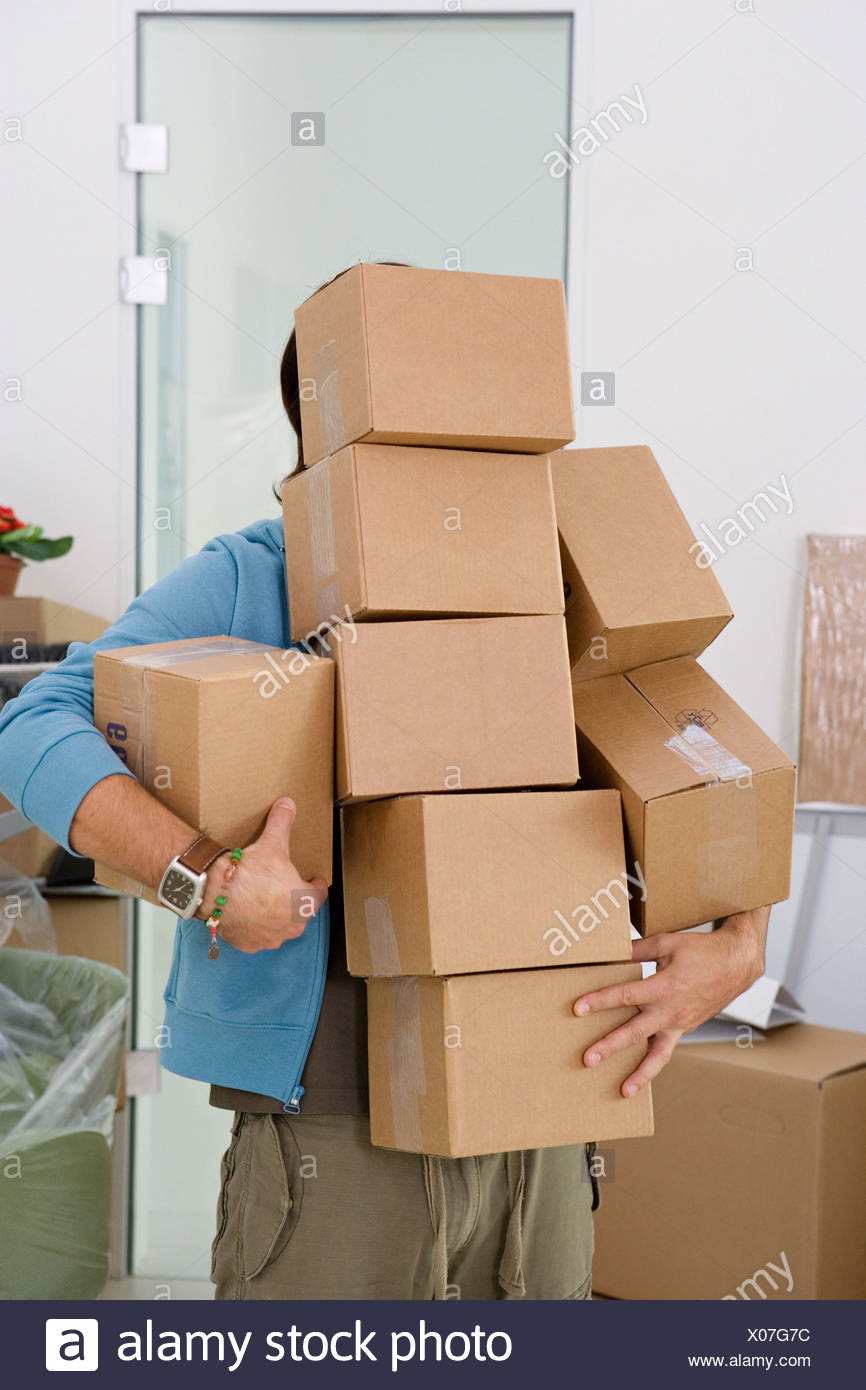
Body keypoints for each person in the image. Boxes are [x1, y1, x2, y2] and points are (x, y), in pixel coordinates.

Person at [0, 267, 771, 1301]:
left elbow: (705, 756)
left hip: (543, 1109)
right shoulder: (254, 579)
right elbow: (30, 724)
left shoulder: (563, 575)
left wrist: (738, 948)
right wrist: (204, 878)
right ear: (330, 431)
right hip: (331, 1127)